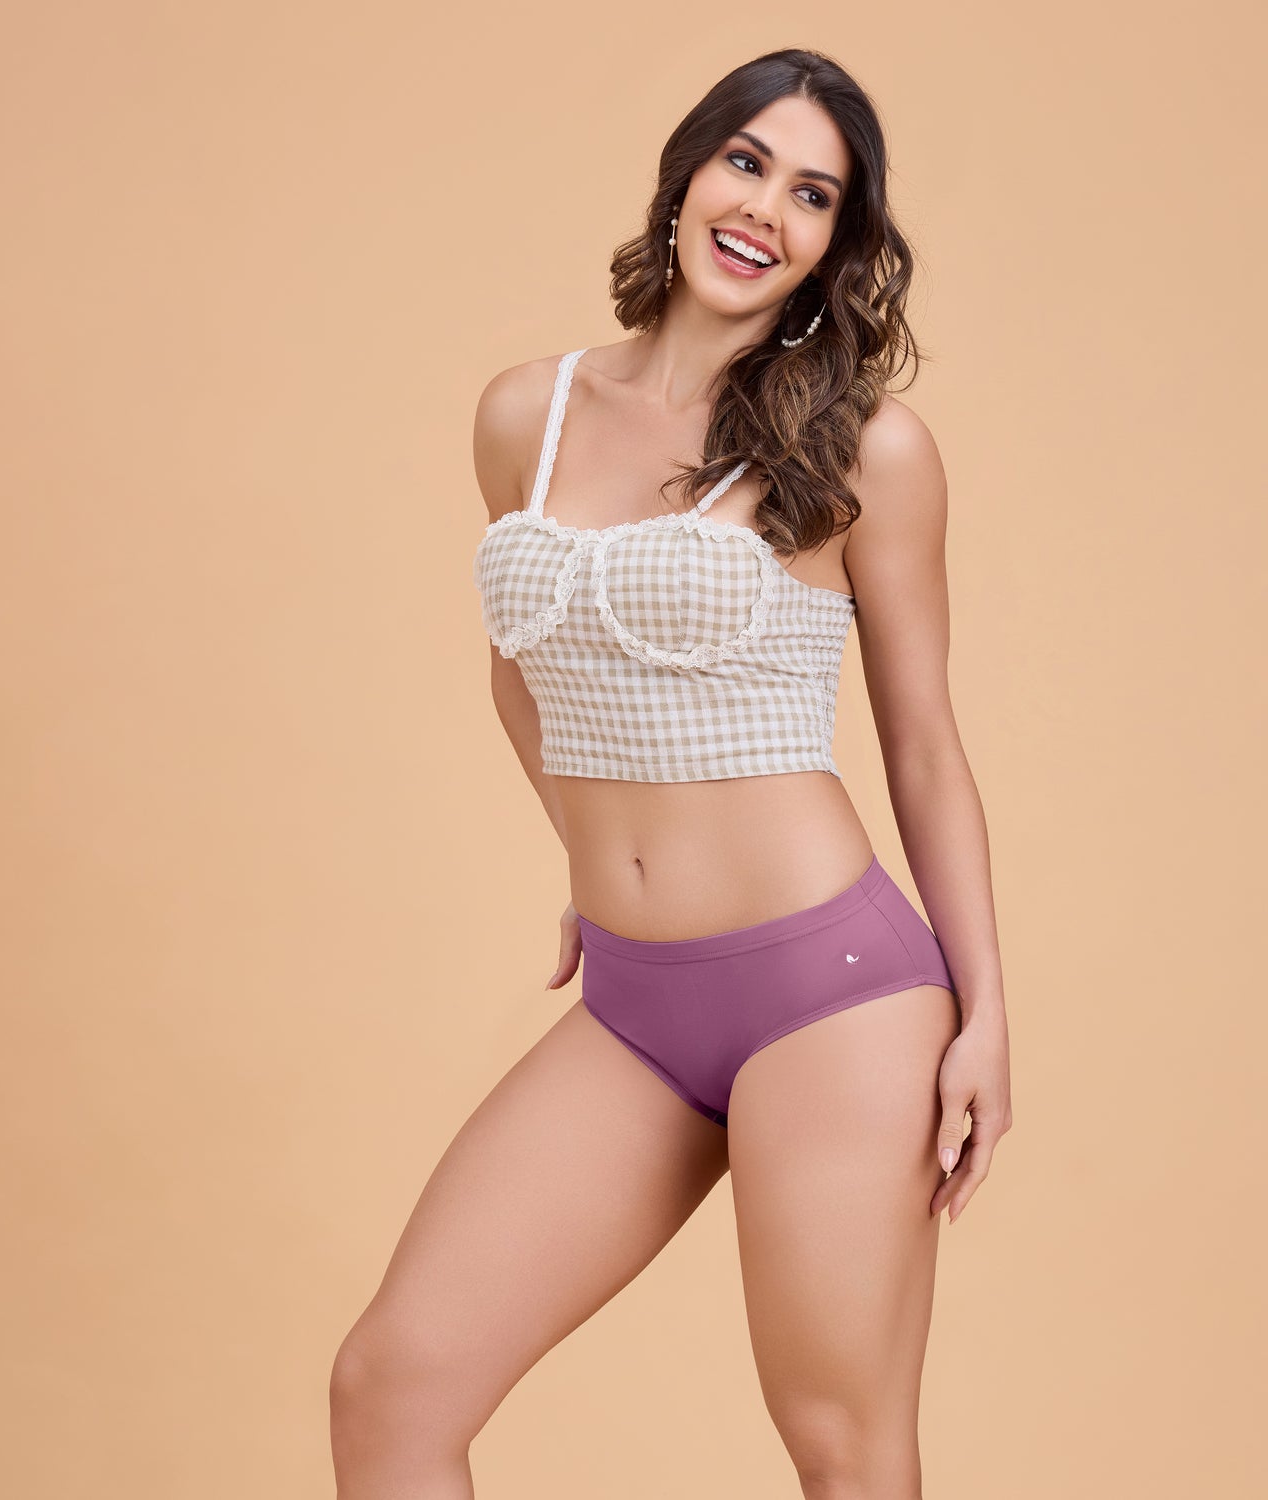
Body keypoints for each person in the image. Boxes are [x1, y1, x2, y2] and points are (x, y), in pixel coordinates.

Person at [330, 47, 1012, 1500]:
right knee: (391, 1389)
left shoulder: (866, 449)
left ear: (836, 244)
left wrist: (988, 1015)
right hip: (636, 998)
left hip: (834, 992)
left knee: (842, 1445)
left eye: (813, 193)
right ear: (689, 172)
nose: (765, 207)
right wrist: (592, 856)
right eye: (747, 162)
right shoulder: (527, 413)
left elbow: (922, 745)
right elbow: (521, 667)